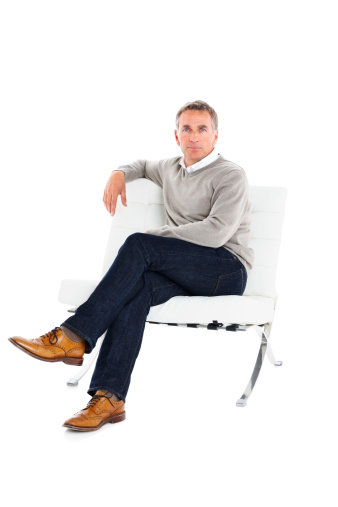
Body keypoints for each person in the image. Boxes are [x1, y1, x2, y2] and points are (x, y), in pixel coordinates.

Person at [8, 100, 254, 432]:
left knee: (141, 244)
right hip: (182, 268)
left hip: (225, 269)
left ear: (215, 135)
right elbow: (140, 164)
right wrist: (118, 173)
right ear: (176, 135)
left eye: (202, 129)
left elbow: (216, 233)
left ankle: (72, 336)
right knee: (135, 291)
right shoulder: (171, 167)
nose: (194, 136)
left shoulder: (231, 175)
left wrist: (158, 237)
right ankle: (110, 398)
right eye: (187, 129)